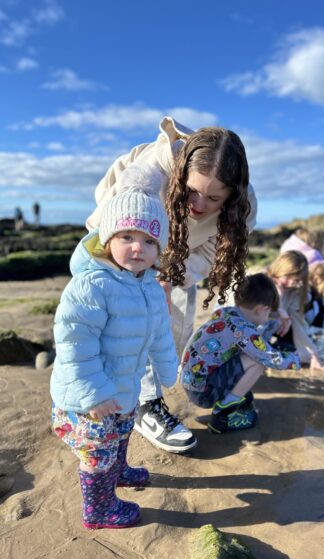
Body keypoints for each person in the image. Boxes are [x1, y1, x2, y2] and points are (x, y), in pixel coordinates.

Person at [86, 116, 257, 453]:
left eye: (213, 199)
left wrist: (169, 277)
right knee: (132, 319)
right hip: (125, 230)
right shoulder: (152, 171)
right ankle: (145, 405)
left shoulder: (245, 205)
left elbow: (210, 251)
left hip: (181, 251)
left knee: (174, 331)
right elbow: (120, 217)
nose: (198, 204)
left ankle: (142, 390)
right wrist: (145, 276)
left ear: (231, 196)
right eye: (192, 191)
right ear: (182, 174)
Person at [50, 186, 179, 529]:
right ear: (107, 238)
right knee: (97, 451)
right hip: (88, 396)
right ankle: (99, 508)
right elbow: (74, 345)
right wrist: (93, 393)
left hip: (124, 386)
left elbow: (160, 331)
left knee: (122, 431)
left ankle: (119, 472)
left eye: (150, 241)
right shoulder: (91, 286)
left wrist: (168, 368)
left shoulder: (150, 285)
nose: (139, 247)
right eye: (126, 236)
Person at [180, 273, 300, 433]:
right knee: (258, 361)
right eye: (268, 312)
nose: (268, 316)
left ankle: (230, 396)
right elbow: (271, 359)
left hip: (190, 382)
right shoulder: (244, 330)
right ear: (260, 309)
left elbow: (260, 319)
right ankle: (223, 412)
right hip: (203, 394)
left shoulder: (226, 312)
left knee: (244, 354)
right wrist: (297, 358)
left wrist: (275, 316)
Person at [264, 250, 324, 372]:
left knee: (304, 355)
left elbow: (299, 324)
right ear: (278, 270)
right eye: (286, 277)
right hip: (247, 326)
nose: (290, 282)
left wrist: (313, 355)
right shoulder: (262, 282)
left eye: (296, 279)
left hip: (270, 329)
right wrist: (280, 307)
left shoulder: (295, 292)